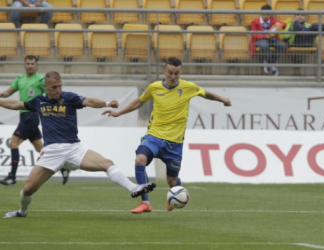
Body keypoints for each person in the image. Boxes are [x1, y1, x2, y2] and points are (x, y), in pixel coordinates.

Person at [0, 71, 156, 218]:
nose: (58, 90)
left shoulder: (69, 98)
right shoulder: (39, 101)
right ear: (46, 87)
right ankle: (22, 211)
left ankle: (133, 188)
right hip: (51, 152)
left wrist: (107, 103)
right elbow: (17, 105)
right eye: (54, 87)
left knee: (107, 163)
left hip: (74, 149)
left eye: (60, 86)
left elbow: (89, 101)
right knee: (28, 189)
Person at [102, 57, 231, 214]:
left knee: (172, 181)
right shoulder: (154, 88)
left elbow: (205, 93)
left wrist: (223, 99)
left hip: (174, 143)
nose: (173, 77)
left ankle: (174, 194)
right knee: (140, 159)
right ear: (164, 72)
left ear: (180, 73)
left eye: (176, 73)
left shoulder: (188, 87)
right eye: (170, 73)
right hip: (154, 136)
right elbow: (138, 102)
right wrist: (119, 113)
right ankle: (145, 202)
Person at [0, 55, 70, 186]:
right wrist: (2, 94)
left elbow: (52, 94)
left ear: (36, 65)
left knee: (13, 144)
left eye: (32, 63)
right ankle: (64, 167)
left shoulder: (40, 80)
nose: (30, 66)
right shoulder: (20, 79)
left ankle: (11, 177)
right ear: (24, 64)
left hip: (31, 116)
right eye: (28, 63)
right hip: (24, 116)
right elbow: (10, 91)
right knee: (42, 149)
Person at [249, 4, 287, 76]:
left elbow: (283, 23)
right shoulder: (255, 21)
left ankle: (269, 62)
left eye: (269, 14)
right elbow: (254, 34)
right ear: (261, 14)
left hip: (272, 39)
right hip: (260, 39)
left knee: (282, 46)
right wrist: (265, 36)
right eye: (266, 14)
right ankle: (271, 64)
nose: (268, 16)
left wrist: (279, 25)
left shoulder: (272, 20)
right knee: (264, 45)